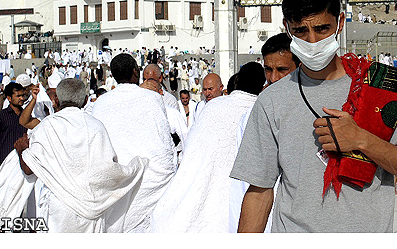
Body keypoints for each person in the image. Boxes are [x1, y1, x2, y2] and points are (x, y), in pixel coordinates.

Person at [230, 0, 397, 233]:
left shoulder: (378, 89)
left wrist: (362, 140)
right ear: (287, 27)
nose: (313, 41)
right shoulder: (272, 101)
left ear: (339, 23)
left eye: (322, 29)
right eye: (301, 31)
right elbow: (259, 192)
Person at [13, 78, 146, 233]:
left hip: (58, 209)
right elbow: (108, 168)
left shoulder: (46, 126)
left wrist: (22, 151)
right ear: (84, 102)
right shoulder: (96, 126)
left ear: (57, 99)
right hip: (90, 212)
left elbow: (29, 170)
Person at [147, 62, 266, 232]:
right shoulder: (259, 111)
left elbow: (191, 148)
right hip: (233, 204)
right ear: (263, 87)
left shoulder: (213, 107)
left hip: (189, 199)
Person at [89, 53, 176, 232]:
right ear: (135, 72)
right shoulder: (152, 98)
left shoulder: (101, 103)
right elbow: (163, 142)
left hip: (114, 180)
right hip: (149, 179)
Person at [228, 34, 300, 233]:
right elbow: (253, 186)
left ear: (299, 67)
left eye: (282, 70)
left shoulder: (316, 110)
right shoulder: (257, 112)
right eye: (268, 69)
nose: (274, 78)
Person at [0, 83, 28, 165]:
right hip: (5, 160)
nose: (22, 98)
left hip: (23, 160)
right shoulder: (2, 116)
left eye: (23, 95)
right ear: (9, 98)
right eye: (18, 96)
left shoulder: (26, 115)